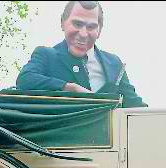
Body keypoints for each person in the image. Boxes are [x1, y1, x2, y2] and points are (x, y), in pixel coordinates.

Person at [16, 1, 147, 108]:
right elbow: (25, 79)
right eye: (77, 24)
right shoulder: (46, 55)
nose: (83, 34)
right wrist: (69, 88)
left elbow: (133, 104)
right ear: (63, 23)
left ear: (99, 30)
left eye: (91, 27)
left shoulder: (114, 63)